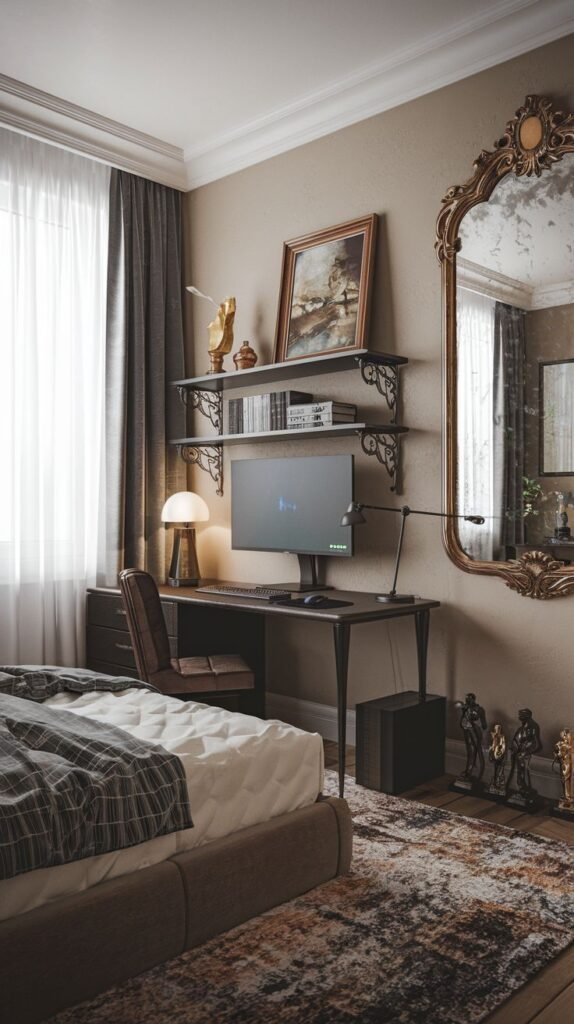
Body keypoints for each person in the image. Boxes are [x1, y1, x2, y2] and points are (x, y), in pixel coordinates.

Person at [508, 708, 542, 798]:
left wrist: (527, 752)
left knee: (523, 770)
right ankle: (521, 788)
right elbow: (516, 740)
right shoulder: (521, 728)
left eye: (521, 715)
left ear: (528, 716)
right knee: (519, 771)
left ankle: (525, 788)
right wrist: (513, 748)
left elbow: (537, 744)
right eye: (519, 715)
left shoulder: (533, 727)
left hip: (526, 754)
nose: (519, 717)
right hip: (519, 754)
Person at [455, 693, 487, 781]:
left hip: (474, 732)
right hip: (467, 732)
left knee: (476, 751)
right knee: (470, 752)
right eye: (466, 699)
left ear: (473, 699)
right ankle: (469, 770)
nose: (467, 701)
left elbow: (484, 725)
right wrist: (464, 711)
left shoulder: (479, 710)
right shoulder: (466, 708)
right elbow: (463, 720)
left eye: (469, 699)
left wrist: (475, 720)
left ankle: (474, 772)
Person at [553, 729, 574, 809]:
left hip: (571, 763)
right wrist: (558, 755)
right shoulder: (561, 744)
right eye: (567, 735)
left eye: (570, 735)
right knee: (566, 778)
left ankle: (570, 797)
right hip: (566, 764)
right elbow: (557, 754)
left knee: (570, 778)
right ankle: (568, 797)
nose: (568, 737)